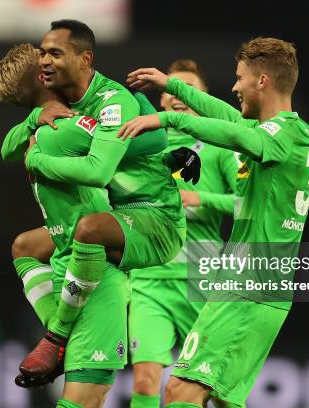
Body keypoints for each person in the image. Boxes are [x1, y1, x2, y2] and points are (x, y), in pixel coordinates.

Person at [118, 37, 309, 407]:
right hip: (256, 285)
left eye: (240, 78)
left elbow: (229, 131)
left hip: (247, 286)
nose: (234, 86)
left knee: (181, 391)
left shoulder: (284, 135)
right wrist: (172, 85)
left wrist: (169, 116)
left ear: (262, 81)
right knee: (224, 399)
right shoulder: (284, 133)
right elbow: (225, 118)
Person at [14, 19, 191, 380]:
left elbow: (99, 171)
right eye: (42, 53)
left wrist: (36, 159)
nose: (45, 61)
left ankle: (56, 334)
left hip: (154, 219)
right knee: (25, 246)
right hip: (119, 214)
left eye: (55, 53)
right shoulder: (63, 108)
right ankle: (59, 326)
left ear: (85, 59)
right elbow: (6, 147)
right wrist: (35, 116)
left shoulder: (112, 101)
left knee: (89, 229)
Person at [127, 59, 238, 408]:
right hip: (149, 277)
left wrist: (200, 198)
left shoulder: (221, 146)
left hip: (200, 278)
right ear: (162, 100)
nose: (178, 96)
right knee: (145, 381)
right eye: (172, 89)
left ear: (202, 97)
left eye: (188, 89)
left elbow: (246, 204)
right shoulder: (146, 144)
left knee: (215, 388)